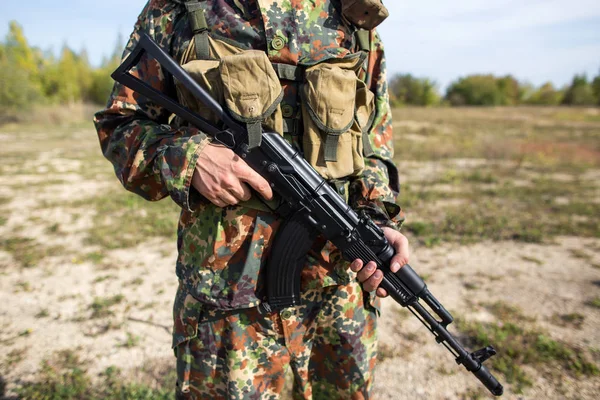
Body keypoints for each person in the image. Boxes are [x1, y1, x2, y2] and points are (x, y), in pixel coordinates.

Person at [94, 0, 409, 398]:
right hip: (228, 300)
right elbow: (121, 124)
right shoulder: (179, 9)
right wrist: (191, 159)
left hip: (339, 294)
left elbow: (374, 144)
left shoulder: (355, 14)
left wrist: (378, 217)